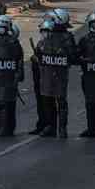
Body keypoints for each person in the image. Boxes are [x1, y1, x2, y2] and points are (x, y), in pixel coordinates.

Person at [35, 9, 78, 138]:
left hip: (59, 73)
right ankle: (51, 127)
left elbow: (72, 56)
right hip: (47, 72)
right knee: (47, 100)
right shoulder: (48, 35)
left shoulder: (67, 37)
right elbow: (39, 49)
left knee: (60, 100)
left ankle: (62, 128)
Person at [0, 15, 24, 137]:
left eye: (1, 26)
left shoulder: (13, 42)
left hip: (7, 77)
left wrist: (19, 75)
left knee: (5, 103)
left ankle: (6, 128)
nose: (0, 29)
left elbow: (19, 60)